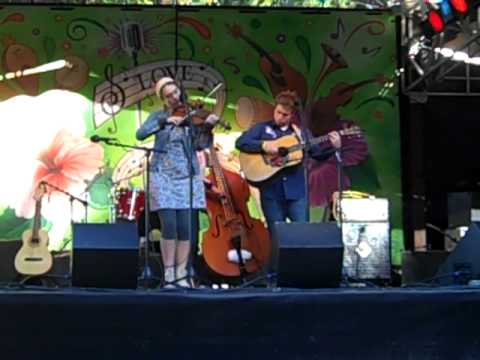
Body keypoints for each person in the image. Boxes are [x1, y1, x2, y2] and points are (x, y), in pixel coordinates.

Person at [136, 77, 219, 287]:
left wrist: (207, 128)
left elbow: (200, 146)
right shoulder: (158, 116)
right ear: (163, 99)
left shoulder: (190, 118)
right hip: (162, 176)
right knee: (169, 226)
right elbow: (141, 134)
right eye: (169, 95)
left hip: (187, 177)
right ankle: (169, 273)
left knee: (185, 228)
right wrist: (165, 121)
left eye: (175, 93)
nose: (174, 97)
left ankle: (182, 273)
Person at [235, 90, 342, 232]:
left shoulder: (301, 133)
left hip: (297, 193)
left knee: (302, 234)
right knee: (276, 237)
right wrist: (264, 146)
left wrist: (335, 147)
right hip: (271, 192)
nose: (280, 117)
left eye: (285, 115)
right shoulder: (262, 128)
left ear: (292, 115)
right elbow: (241, 142)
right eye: (278, 112)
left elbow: (318, 154)